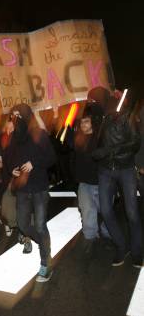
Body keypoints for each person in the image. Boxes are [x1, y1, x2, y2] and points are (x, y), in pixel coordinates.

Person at [3, 103, 56, 282]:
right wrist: (12, 170)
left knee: (40, 225)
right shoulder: (12, 139)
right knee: (24, 225)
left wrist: (34, 163)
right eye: (13, 115)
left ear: (26, 116)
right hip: (23, 189)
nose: (15, 117)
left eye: (18, 114)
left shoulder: (38, 134)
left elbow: (51, 158)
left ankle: (45, 262)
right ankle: (45, 245)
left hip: (39, 187)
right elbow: (9, 160)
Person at [90, 87, 142, 268]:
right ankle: (122, 246)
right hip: (105, 170)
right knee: (105, 210)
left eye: (94, 100)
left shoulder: (125, 115)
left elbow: (136, 143)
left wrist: (112, 150)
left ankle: (137, 251)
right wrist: (96, 152)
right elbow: (95, 145)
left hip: (125, 169)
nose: (92, 104)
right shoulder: (98, 118)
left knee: (132, 213)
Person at [68, 104, 110, 254]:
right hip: (84, 184)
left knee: (106, 211)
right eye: (82, 122)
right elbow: (64, 141)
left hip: (101, 183)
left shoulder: (100, 139)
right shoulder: (77, 139)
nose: (83, 124)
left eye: (86, 121)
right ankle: (90, 238)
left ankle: (107, 233)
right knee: (87, 212)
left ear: (93, 122)